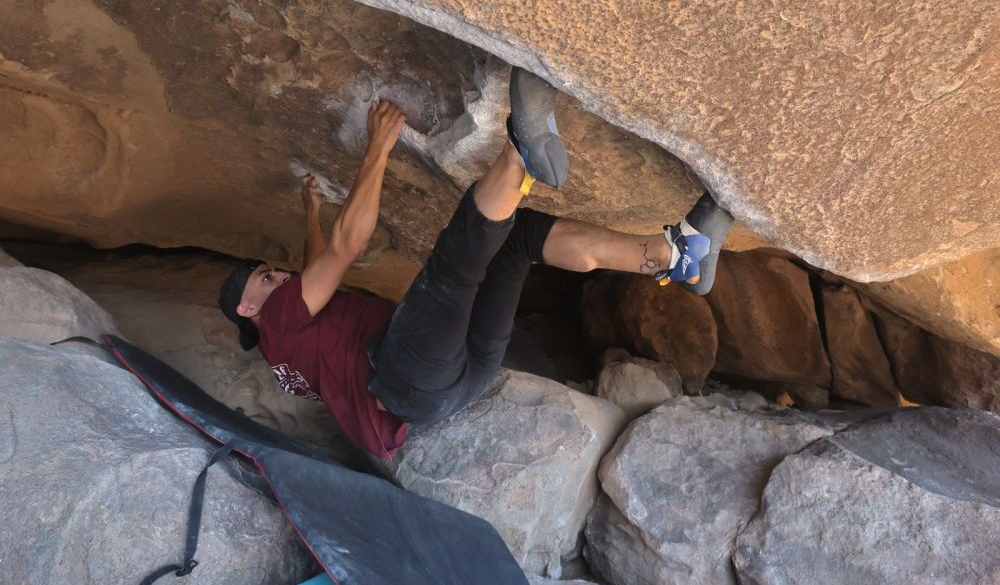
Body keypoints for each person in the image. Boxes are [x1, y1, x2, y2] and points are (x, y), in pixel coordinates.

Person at [218, 69, 733, 459]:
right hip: (406, 375)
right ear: (247, 308)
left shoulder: (285, 351)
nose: (278, 276)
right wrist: (377, 148)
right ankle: (521, 152)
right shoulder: (278, 320)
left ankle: (676, 254)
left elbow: (313, 276)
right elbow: (346, 247)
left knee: (518, 239)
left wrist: (310, 213)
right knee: (451, 266)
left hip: (452, 385)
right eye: (264, 277)